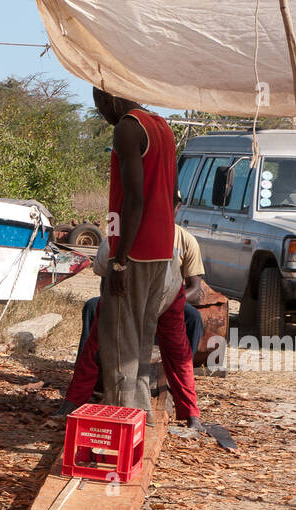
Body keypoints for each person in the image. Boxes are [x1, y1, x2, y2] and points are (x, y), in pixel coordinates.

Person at [57, 211, 206, 430]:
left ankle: (190, 413)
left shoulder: (180, 240)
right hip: (129, 297)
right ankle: (75, 401)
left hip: (165, 297)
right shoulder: (114, 241)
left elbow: (193, 287)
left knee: (178, 351)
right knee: (96, 343)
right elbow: (102, 270)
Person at [92, 87, 177, 421]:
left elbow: (135, 198)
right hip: (160, 250)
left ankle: (121, 421)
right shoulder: (162, 126)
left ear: (112, 97)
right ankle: (141, 419)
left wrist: (120, 259)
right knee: (141, 342)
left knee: (118, 346)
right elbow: (171, 195)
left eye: (100, 104)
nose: (102, 112)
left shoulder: (128, 126)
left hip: (136, 252)